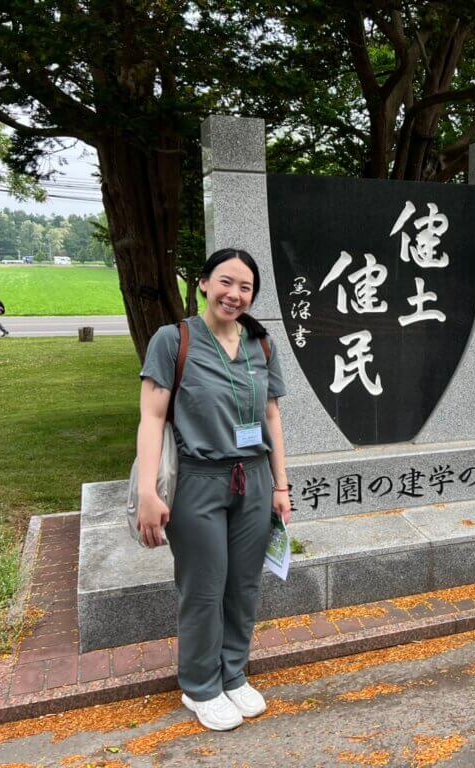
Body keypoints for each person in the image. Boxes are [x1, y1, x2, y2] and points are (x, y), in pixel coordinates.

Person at [136, 248, 291, 732]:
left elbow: (271, 417)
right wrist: (147, 490)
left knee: (243, 584)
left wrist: (281, 486)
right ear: (204, 283)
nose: (235, 294)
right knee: (203, 588)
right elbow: (152, 417)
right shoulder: (173, 339)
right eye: (226, 282)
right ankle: (201, 685)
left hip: (255, 478)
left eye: (245, 287)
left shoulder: (260, 343)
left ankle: (233, 672)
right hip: (199, 480)